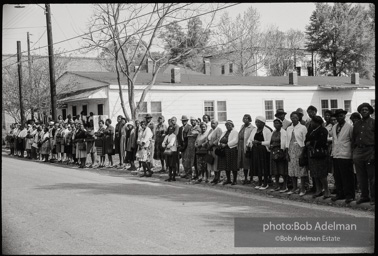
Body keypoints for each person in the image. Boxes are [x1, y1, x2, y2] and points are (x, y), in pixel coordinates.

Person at [330, 109, 355, 204]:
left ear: (344, 116)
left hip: (346, 155)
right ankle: (340, 194)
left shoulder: (349, 127)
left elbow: (352, 141)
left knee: (347, 176)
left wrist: (352, 154)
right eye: (337, 116)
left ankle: (349, 195)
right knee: (338, 176)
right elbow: (333, 141)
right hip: (336, 154)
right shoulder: (334, 127)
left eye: (341, 116)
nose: (339, 118)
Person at [352, 103, 375, 205]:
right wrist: (354, 153)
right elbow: (353, 139)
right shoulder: (356, 124)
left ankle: (373, 197)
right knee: (361, 176)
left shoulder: (373, 123)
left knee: (372, 176)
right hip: (359, 152)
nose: (364, 111)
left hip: (370, 151)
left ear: (369, 111)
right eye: (362, 110)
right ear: (360, 112)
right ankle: (364, 196)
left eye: (366, 109)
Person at [305, 116, 330, 199]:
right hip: (312, 154)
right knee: (314, 173)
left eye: (313, 122)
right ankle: (318, 190)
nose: (311, 123)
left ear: (317, 123)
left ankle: (326, 190)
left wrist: (311, 142)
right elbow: (306, 139)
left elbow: (322, 141)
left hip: (320, 154)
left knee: (322, 174)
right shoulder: (311, 130)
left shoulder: (323, 130)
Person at [286, 111, 308, 196]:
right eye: (292, 117)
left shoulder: (302, 127)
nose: (294, 119)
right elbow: (287, 140)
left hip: (300, 149)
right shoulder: (289, 128)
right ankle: (294, 188)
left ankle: (302, 188)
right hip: (291, 149)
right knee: (292, 169)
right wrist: (287, 152)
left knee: (301, 169)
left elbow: (304, 140)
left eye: (295, 117)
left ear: (298, 118)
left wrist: (303, 152)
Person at [248, 116, 272, 189]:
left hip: (263, 150)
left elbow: (269, 142)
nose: (257, 123)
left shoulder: (267, 131)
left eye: (259, 122)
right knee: (258, 166)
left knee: (264, 167)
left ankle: (265, 183)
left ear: (263, 123)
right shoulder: (254, 130)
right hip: (255, 150)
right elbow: (249, 139)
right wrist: (251, 142)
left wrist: (260, 142)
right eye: (256, 122)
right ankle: (260, 182)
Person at [269, 119, 288, 192]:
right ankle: (277, 185)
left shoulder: (283, 132)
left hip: (280, 152)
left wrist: (278, 147)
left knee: (282, 169)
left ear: (281, 124)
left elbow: (284, 142)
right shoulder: (273, 132)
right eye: (274, 123)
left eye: (277, 123)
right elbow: (271, 141)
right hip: (273, 151)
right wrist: (270, 146)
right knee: (275, 169)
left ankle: (284, 185)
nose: (275, 125)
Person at [218, 120, 239, 185]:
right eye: (226, 125)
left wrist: (226, 144)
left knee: (233, 165)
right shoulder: (224, 132)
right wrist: (220, 144)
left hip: (231, 150)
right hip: (224, 150)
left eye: (229, 125)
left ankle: (234, 180)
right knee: (226, 165)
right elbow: (220, 139)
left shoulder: (235, 132)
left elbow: (235, 141)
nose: (227, 126)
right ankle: (228, 179)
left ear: (232, 125)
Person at [237, 114, 255, 185]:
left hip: (247, 147)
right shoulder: (242, 126)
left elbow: (251, 138)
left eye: (246, 119)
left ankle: (251, 178)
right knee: (243, 163)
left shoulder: (252, 128)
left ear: (249, 119)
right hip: (241, 146)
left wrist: (248, 146)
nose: (245, 120)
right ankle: (245, 178)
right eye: (244, 118)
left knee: (248, 162)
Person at [206, 120, 223, 184]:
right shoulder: (210, 130)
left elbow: (218, 139)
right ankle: (215, 177)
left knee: (216, 163)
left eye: (213, 123)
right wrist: (208, 145)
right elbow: (208, 138)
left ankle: (218, 178)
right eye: (211, 123)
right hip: (210, 148)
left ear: (217, 124)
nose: (212, 124)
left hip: (215, 148)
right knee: (212, 162)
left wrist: (212, 145)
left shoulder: (218, 130)